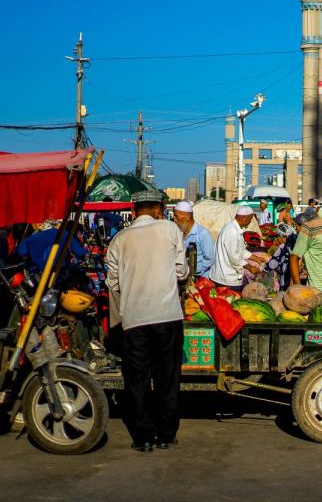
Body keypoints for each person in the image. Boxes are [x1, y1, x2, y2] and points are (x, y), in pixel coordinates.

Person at [105, 189, 188, 452]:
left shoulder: (120, 238)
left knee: (137, 380)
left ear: (133, 211)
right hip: (167, 316)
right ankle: (165, 434)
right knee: (167, 377)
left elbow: (113, 282)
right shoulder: (169, 229)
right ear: (158, 209)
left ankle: (142, 438)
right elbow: (181, 271)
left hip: (134, 319)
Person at [210, 206, 270, 292]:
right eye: (250, 219)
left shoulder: (233, 228)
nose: (250, 222)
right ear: (244, 217)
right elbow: (234, 257)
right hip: (226, 279)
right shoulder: (233, 232)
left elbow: (240, 250)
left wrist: (255, 258)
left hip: (224, 276)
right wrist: (250, 267)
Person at [16, 222, 88, 277]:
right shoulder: (67, 235)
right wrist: (86, 249)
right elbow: (80, 252)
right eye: (80, 234)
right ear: (78, 232)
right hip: (50, 274)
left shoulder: (43, 233)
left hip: (33, 272)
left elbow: (21, 251)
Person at [172, 201, 215, 282]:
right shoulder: (179, 232)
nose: (174, 219)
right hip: (182, 277)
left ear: (186, 217)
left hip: (200, 280)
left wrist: (192, 270)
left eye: (176, 216)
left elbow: (210, 259)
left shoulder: (203, 233)